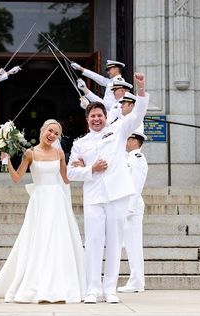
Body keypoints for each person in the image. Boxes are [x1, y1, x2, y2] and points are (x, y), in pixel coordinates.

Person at [0, 119, 86, 303]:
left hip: (57, 201)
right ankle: (35, 283)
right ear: (43, 129)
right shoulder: (30, 153)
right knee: (38, 239)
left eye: (56, 133)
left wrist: (79, 166)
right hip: (39, 201)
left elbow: (66, 179)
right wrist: (6, 162)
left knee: (56, 240)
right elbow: (16, 178)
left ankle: (59, 284)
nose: (52, 135)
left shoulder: (60, 153)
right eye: (50, 131)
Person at [67, 73, 149, 304]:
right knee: (93, 242)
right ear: (87, 119)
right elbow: (70, 172)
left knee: (114, 242)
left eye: (99, 115)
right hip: (93, 196)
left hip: (118, 195)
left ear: (105, 116)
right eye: (92, 116)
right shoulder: (79, 144)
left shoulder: (118, 131)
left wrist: (141, 89)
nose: (96, 119)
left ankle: (109, 289)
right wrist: (90, 169)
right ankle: (92, 289)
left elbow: (138, 113)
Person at [118, 127, 148, 293]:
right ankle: (135, 281)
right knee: (130, 245)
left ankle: (136, 282)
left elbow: (136, 185)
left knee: (133, 245)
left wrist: (128, 209)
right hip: (127, 206)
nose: (125, 142)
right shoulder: (128, 157)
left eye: (127, 139)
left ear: (135, 141)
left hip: (132, 207)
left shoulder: (137, 158)